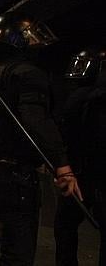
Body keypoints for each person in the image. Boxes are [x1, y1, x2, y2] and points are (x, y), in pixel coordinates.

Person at [0, 11, 81, 266]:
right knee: (18, 252)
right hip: (15, 177)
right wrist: (62, 166)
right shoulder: (27, 73)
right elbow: (37, 121)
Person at [55, 46, 106, 266]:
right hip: (95, 174)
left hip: (77, 173)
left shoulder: (76, 98)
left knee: (64, 228)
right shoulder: (90, 97)